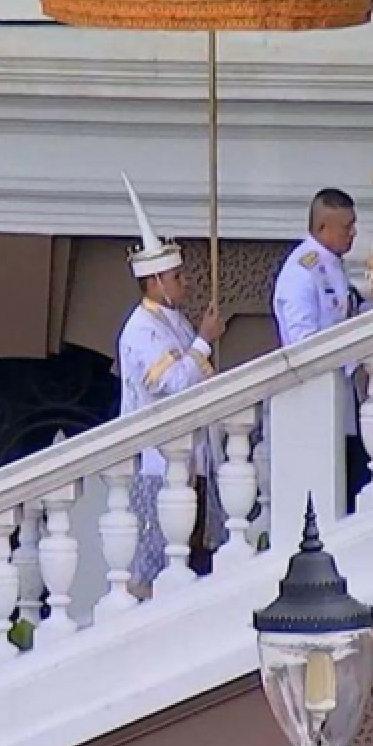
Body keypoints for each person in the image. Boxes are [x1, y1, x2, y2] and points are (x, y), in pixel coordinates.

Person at [115, 174, 227, 595]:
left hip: (193, 458)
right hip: (160, 466)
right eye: (178, 277)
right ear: (155, 281)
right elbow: (174, 384)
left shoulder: (172, 321)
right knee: (157, 564)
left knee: (193, 554)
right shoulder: (141, 331)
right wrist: (204, 340)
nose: (187, 283)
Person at [271, 188, 373, 511]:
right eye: (347, 226)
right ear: (323, 228)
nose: (353, 233)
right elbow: (303, 342)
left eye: (354, 224)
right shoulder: (301, 271)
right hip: (316, 401)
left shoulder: (332, 265)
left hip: (341, 398)